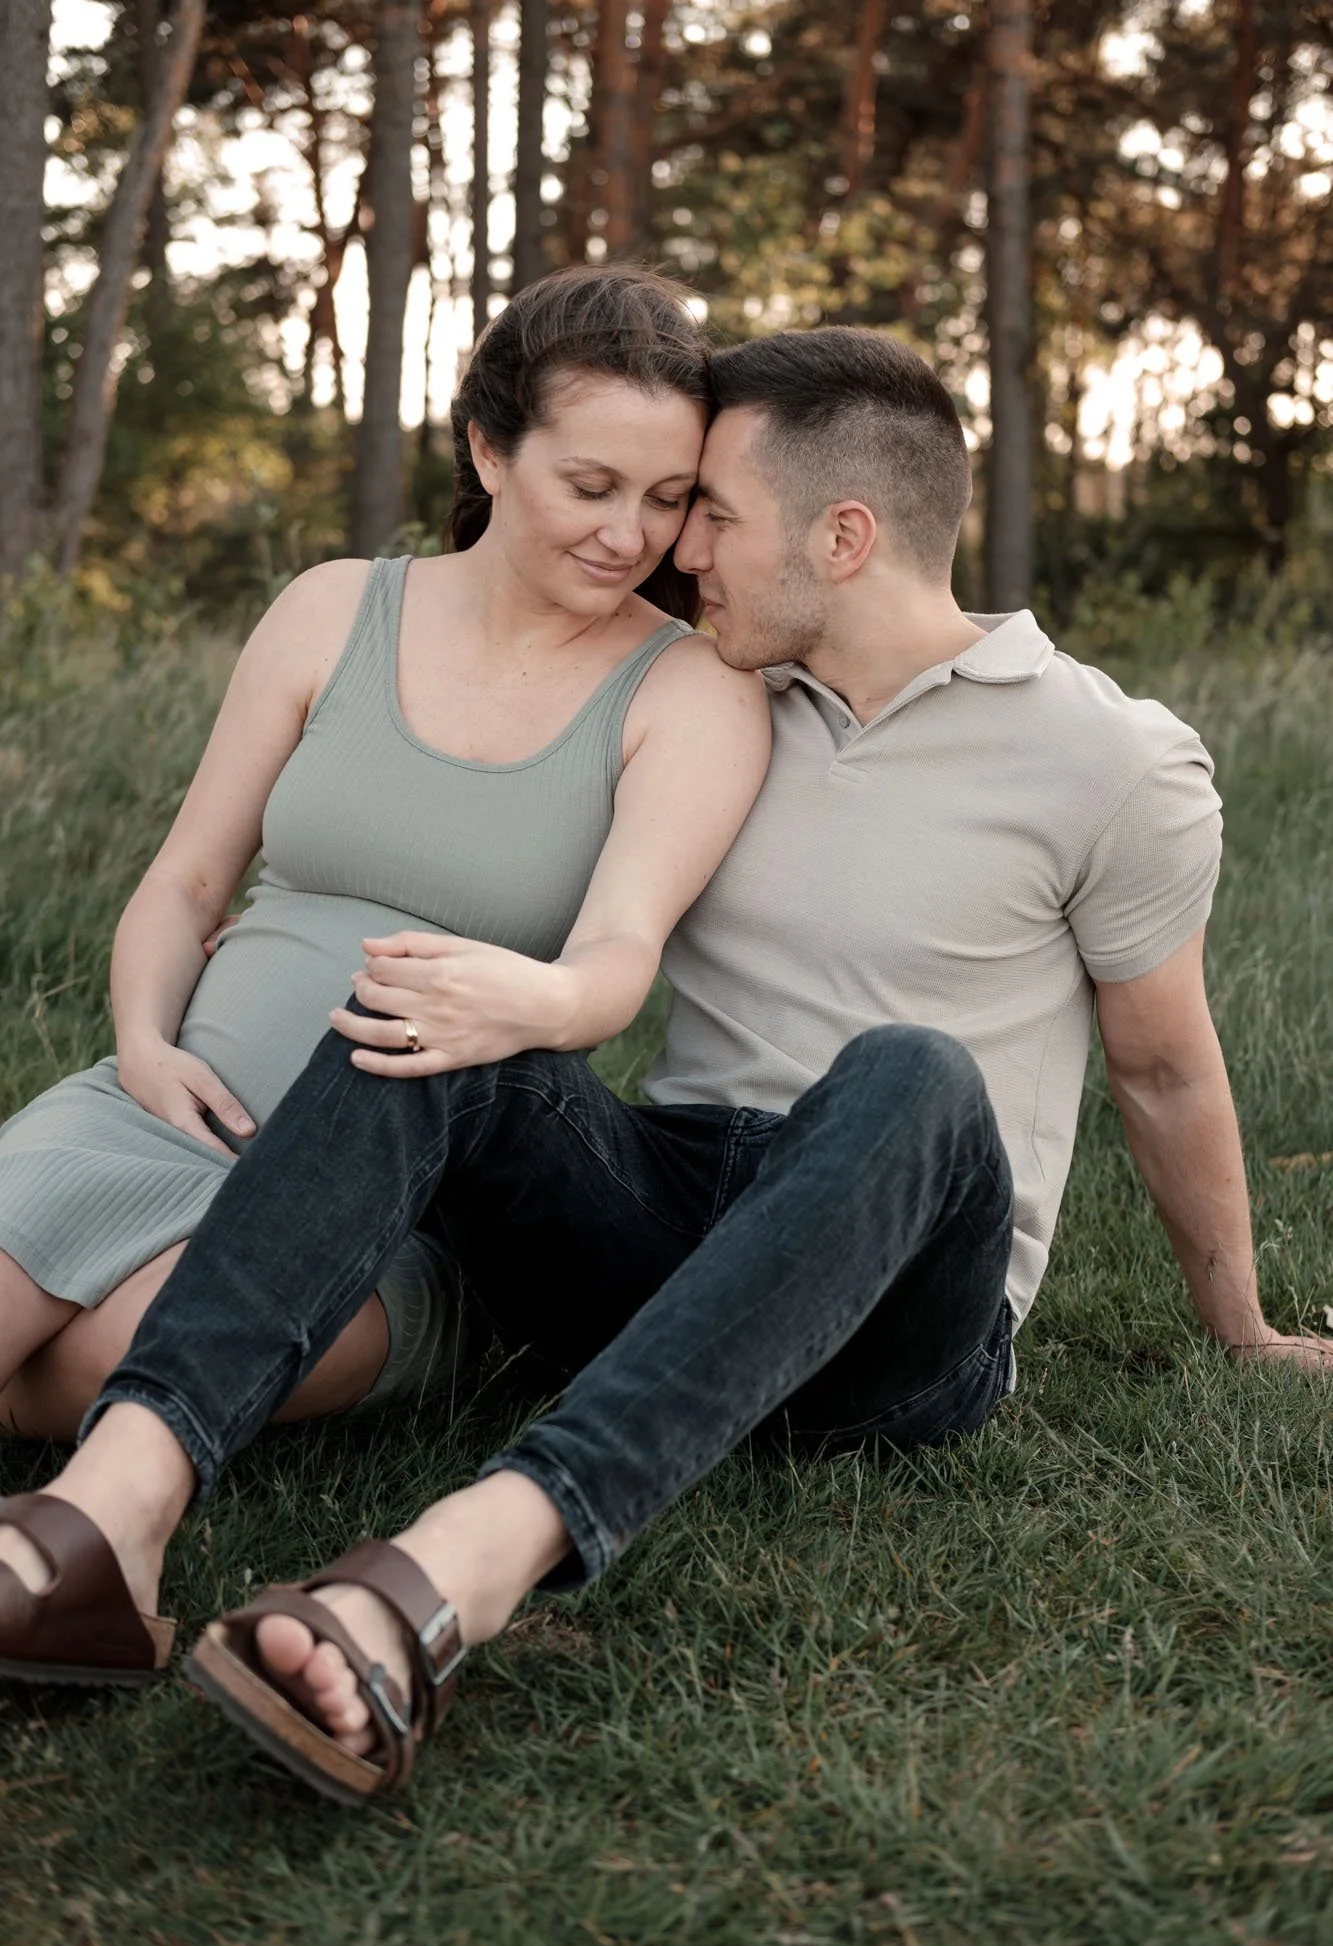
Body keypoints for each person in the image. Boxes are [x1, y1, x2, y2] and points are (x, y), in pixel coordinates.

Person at [2, 324, 1328, 1804]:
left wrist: (1240, 1325)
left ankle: (448, 1575)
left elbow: (1164, 1069)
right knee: (452, 998)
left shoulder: (1115, 761)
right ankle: (109, 1520)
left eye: (711, 511)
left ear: (842, 535)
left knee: (914, 1073)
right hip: (677, 1200)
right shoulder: (722, 698)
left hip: (901, 1284)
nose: (675, 547)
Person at [0, 265, 769, 1444]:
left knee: (89, 1374)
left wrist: (534, 995)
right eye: (591, 484)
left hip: (402, 1201)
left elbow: (617, 961)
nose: (630, 534)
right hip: (162, 1111)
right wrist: (147, 1049)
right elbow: (187, 880)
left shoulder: (686, 692)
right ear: (489, 451)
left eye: (666, 497)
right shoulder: (333, 607)